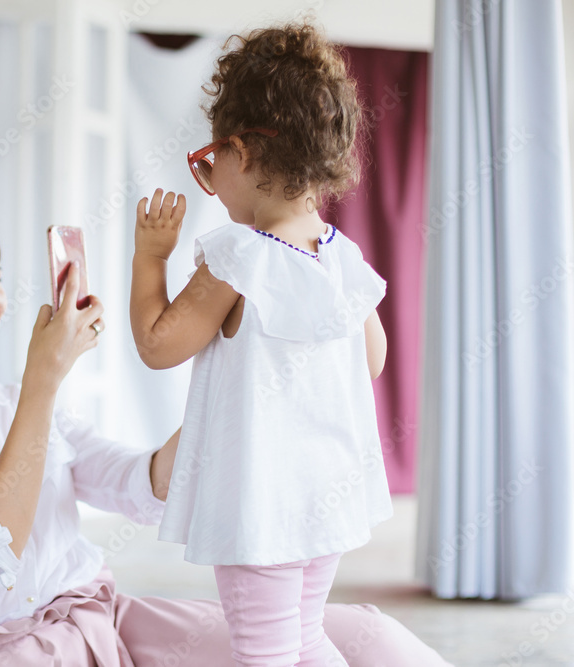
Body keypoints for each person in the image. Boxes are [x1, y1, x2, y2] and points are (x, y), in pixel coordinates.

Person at [0, 196, 451, 665]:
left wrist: (241, 404)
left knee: (366, 636)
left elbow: (130, 480)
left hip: (106, 620)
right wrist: (45, 380)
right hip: (3, 652)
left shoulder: (7, 403)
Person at [128, 22, 410, 666]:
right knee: (304, 638)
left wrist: (151, 258)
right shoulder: (346, 260)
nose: (211, 175)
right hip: (326, 506)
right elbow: (373, 361)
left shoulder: (237, 257)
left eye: (211, 161)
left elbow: (157, 345)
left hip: (261, 509)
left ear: (244, 153)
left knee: (265, 651)